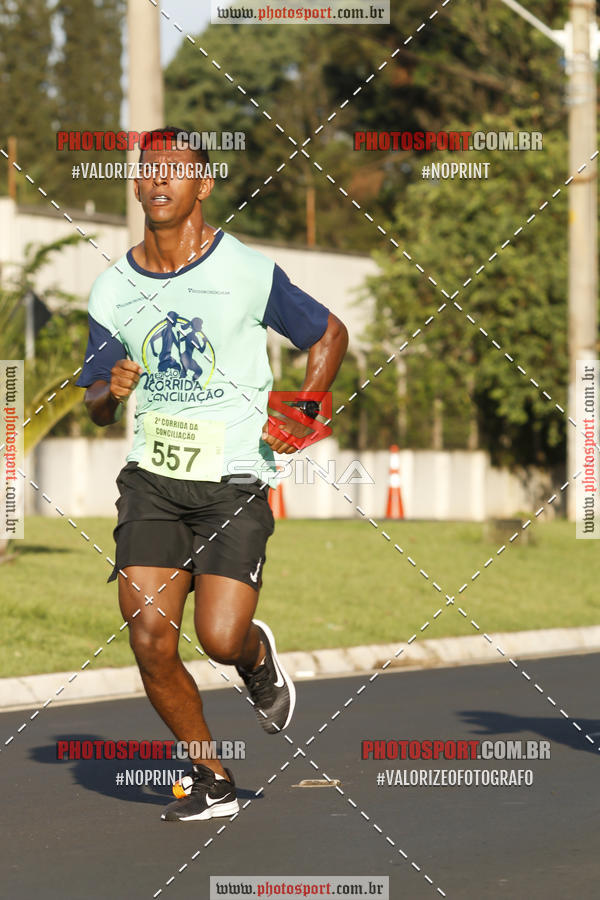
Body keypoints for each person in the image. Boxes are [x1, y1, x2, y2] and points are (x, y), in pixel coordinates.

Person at [77, 127, 348, 823]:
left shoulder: (247, 270)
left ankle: (256, 662)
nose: (157, 180)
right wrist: (111, 385)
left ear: (203, 185)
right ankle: (212, 778)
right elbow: (99, 408)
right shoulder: (112, 289)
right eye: (147, 170)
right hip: (153, 482)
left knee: (221, 637)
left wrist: (308, 406)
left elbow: (328, 334)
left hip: (231, 479)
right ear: (137, 186)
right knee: (148, 635)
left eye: (175, 170)